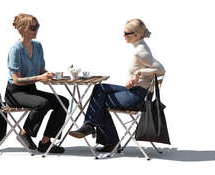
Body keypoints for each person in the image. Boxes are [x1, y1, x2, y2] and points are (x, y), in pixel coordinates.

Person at [69, 19, 165, 152]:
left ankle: (103, 136)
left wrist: (139, 73)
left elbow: (161, 70)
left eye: (126, 33)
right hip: (134, 90)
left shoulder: (141, 51)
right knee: (99, 88)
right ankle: (91, 126)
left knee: (99, 102)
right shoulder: (140, 47)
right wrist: (138, 77)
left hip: (136, 96)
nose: (123, 35)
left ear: (136, 35)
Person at [4, 13, 69, 153]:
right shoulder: (16, 49)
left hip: (30, 89)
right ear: (22, 29)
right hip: (15, 92)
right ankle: (24, 134)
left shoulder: (38, 46)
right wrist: (40, 78)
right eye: (33, 27)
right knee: (42, 103)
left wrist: (50, 75)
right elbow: (16, 80)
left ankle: (45, 142)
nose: (36, 30)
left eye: (37, 26)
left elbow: (41, 70)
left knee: (63, 102)